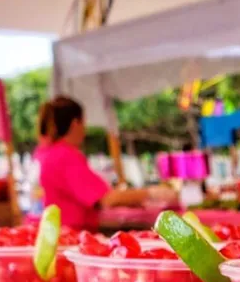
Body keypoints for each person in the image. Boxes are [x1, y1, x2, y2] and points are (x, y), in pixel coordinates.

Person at [38, 97, 176, 231]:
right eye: (84, 123)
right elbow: (106, 199)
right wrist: (152, 193)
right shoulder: (65, 156)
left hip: (62, 232)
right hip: (72, 235)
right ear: (75, 123)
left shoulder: (50, 152)